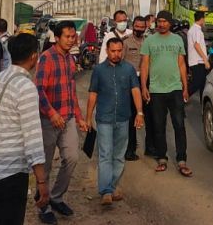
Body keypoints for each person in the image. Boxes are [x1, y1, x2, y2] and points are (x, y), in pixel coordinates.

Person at [0, 33, 49, 225]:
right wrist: (41, 181)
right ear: (34, 56)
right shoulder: (26, 87)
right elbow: (33, 137)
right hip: (11, 171)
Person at [35, 21, 88, 224]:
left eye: (73, 36)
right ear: (56, 38)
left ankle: (56, 197)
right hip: (49, 121)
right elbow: (39, 90)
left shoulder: (70, 59)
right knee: (45, 166)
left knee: (72, 157)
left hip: (67, 118)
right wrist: (51, 114)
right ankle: (44, 206)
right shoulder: (46, 59)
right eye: (67, 36)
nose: (71, 39)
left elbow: (71, 90)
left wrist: (79, 116)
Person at [86, 37, 144, 205]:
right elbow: (93, 94)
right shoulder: (98, 70)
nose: (117, 54)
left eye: (119, 51)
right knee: (105, 154)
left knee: (119, 156)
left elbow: (135, 90)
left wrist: (139, 113)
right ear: (107, 51)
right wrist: (88, 118)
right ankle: (106, 191)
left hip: (123, 118)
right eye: (113, 51)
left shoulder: (129, 69)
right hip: (104, 118)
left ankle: (110, 187)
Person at [140, 10, 191, 177]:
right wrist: (144, 87)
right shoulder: (149, 40)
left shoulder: (177, 40)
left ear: (170, 23)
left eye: (164, 21)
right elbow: (145, 65)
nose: (161, 24)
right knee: (158, 126)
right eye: (159, 21)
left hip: (175, 89)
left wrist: (185, 87)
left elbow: (182, 64)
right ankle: (162, 158)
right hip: (156, 90)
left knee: (179, 125)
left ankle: (182, 160)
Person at [120, 15, 150, 160]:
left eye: (141, 27)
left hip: (146, 80)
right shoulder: (125, 42)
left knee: (149, 115)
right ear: (133, 26)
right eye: (136, 26)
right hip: (130, 82)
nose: (139, 29)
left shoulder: (149, 42)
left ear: (145, 27)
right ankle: (130, 149)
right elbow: (119, 62)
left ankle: (151, 148)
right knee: (131, 115)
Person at [186, 10, 211, 101]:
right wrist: (205, 59)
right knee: (197, 83)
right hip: (197, 61)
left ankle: (203, 104)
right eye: (204, 19)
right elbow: (196, 45)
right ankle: (183, 97)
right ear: (201, 19)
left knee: (202, 84)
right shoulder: (196, 29)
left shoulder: (193, 29)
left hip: (197, 61)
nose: (204, 21)